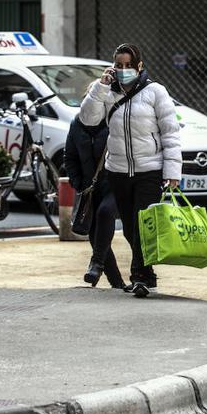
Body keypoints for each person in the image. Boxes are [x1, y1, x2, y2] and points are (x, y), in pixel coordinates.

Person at [79, 43, 182, 298]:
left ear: (139, 66)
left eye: (128, 65)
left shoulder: (155, 92)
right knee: (128, 227)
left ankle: (139, 277)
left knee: (141, 224)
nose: (123, 70)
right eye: (119, 65)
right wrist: (100, 88)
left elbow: (170, 133)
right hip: (118, 171)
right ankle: (147, 274)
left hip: (150, 169)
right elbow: (88, 120)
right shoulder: (106, 92)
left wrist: (173, 171)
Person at [64, 113, 125, 290]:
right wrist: (78, 184)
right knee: (95, 235)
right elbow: (70, 157)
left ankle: (96, 263)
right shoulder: (77, 123)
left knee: (105, 213)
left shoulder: (115, 120)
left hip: (115, 184)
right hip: (89, 189)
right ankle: (117, 283)